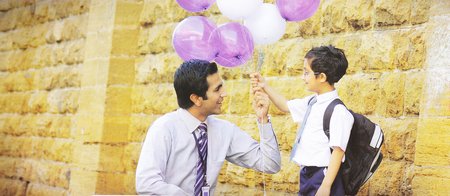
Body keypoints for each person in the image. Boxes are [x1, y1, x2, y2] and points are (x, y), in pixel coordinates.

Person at [136, 59, 281, 195]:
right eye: (217, 89)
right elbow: (147, 183)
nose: (224, 94)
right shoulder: (164, 129)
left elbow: (270, 164)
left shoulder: (224, 131)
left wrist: (263, 119)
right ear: (196, 99)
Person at [250, 45, 354, 196]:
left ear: (322, 77)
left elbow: (338, 151)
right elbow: (285, 106)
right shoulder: (312, 102)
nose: (303, 78)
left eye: (306, 73)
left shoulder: (338, 111)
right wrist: (264, 85)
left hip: (323, 177)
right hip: (307, 175)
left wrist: (326, 186)